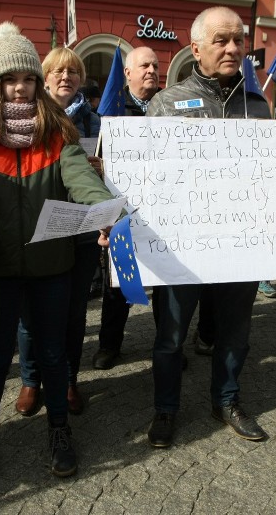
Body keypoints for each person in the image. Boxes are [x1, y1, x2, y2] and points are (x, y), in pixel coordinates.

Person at [0, 22, 113, 490]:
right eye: (9, 79)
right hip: (0, 272)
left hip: (52, 269)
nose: (21, 87)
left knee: (52, 352)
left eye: (27, 77)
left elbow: (79, 178)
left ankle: (60, 430)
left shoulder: (58, 132)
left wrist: (101, 208)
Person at [144, 7, 272, 448]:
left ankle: (227, 399)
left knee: (236, 332)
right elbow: (148, 177)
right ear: (196, 48)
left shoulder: (258, 106)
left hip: (241, 244)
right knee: (170, 337)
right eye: (221, 40)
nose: (234, 48)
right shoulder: (167, 103)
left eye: (239, 40)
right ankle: (165, 409)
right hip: (184, 247)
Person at [15, 46, 103, 416]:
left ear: (81, 79)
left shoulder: (96, 121)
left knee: (73, 312)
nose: (65, 77)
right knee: (30, 312)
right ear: (45, 78)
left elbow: (114, 171)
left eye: (73, 72)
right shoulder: (26, 118)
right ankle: (30, 380)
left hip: (80, 229)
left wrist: (102, 167)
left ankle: (68, 380)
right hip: (39, 226)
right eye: (58, 72)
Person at [92, 45, 161, 370]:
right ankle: (109, 345)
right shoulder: (115, 108)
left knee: (165, 285)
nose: (152, 71)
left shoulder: (166, 107)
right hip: (124, 210)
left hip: (163, 210)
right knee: (120, 280)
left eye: (156, 66)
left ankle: (167, 345)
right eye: (144, 65)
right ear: (128, 73)